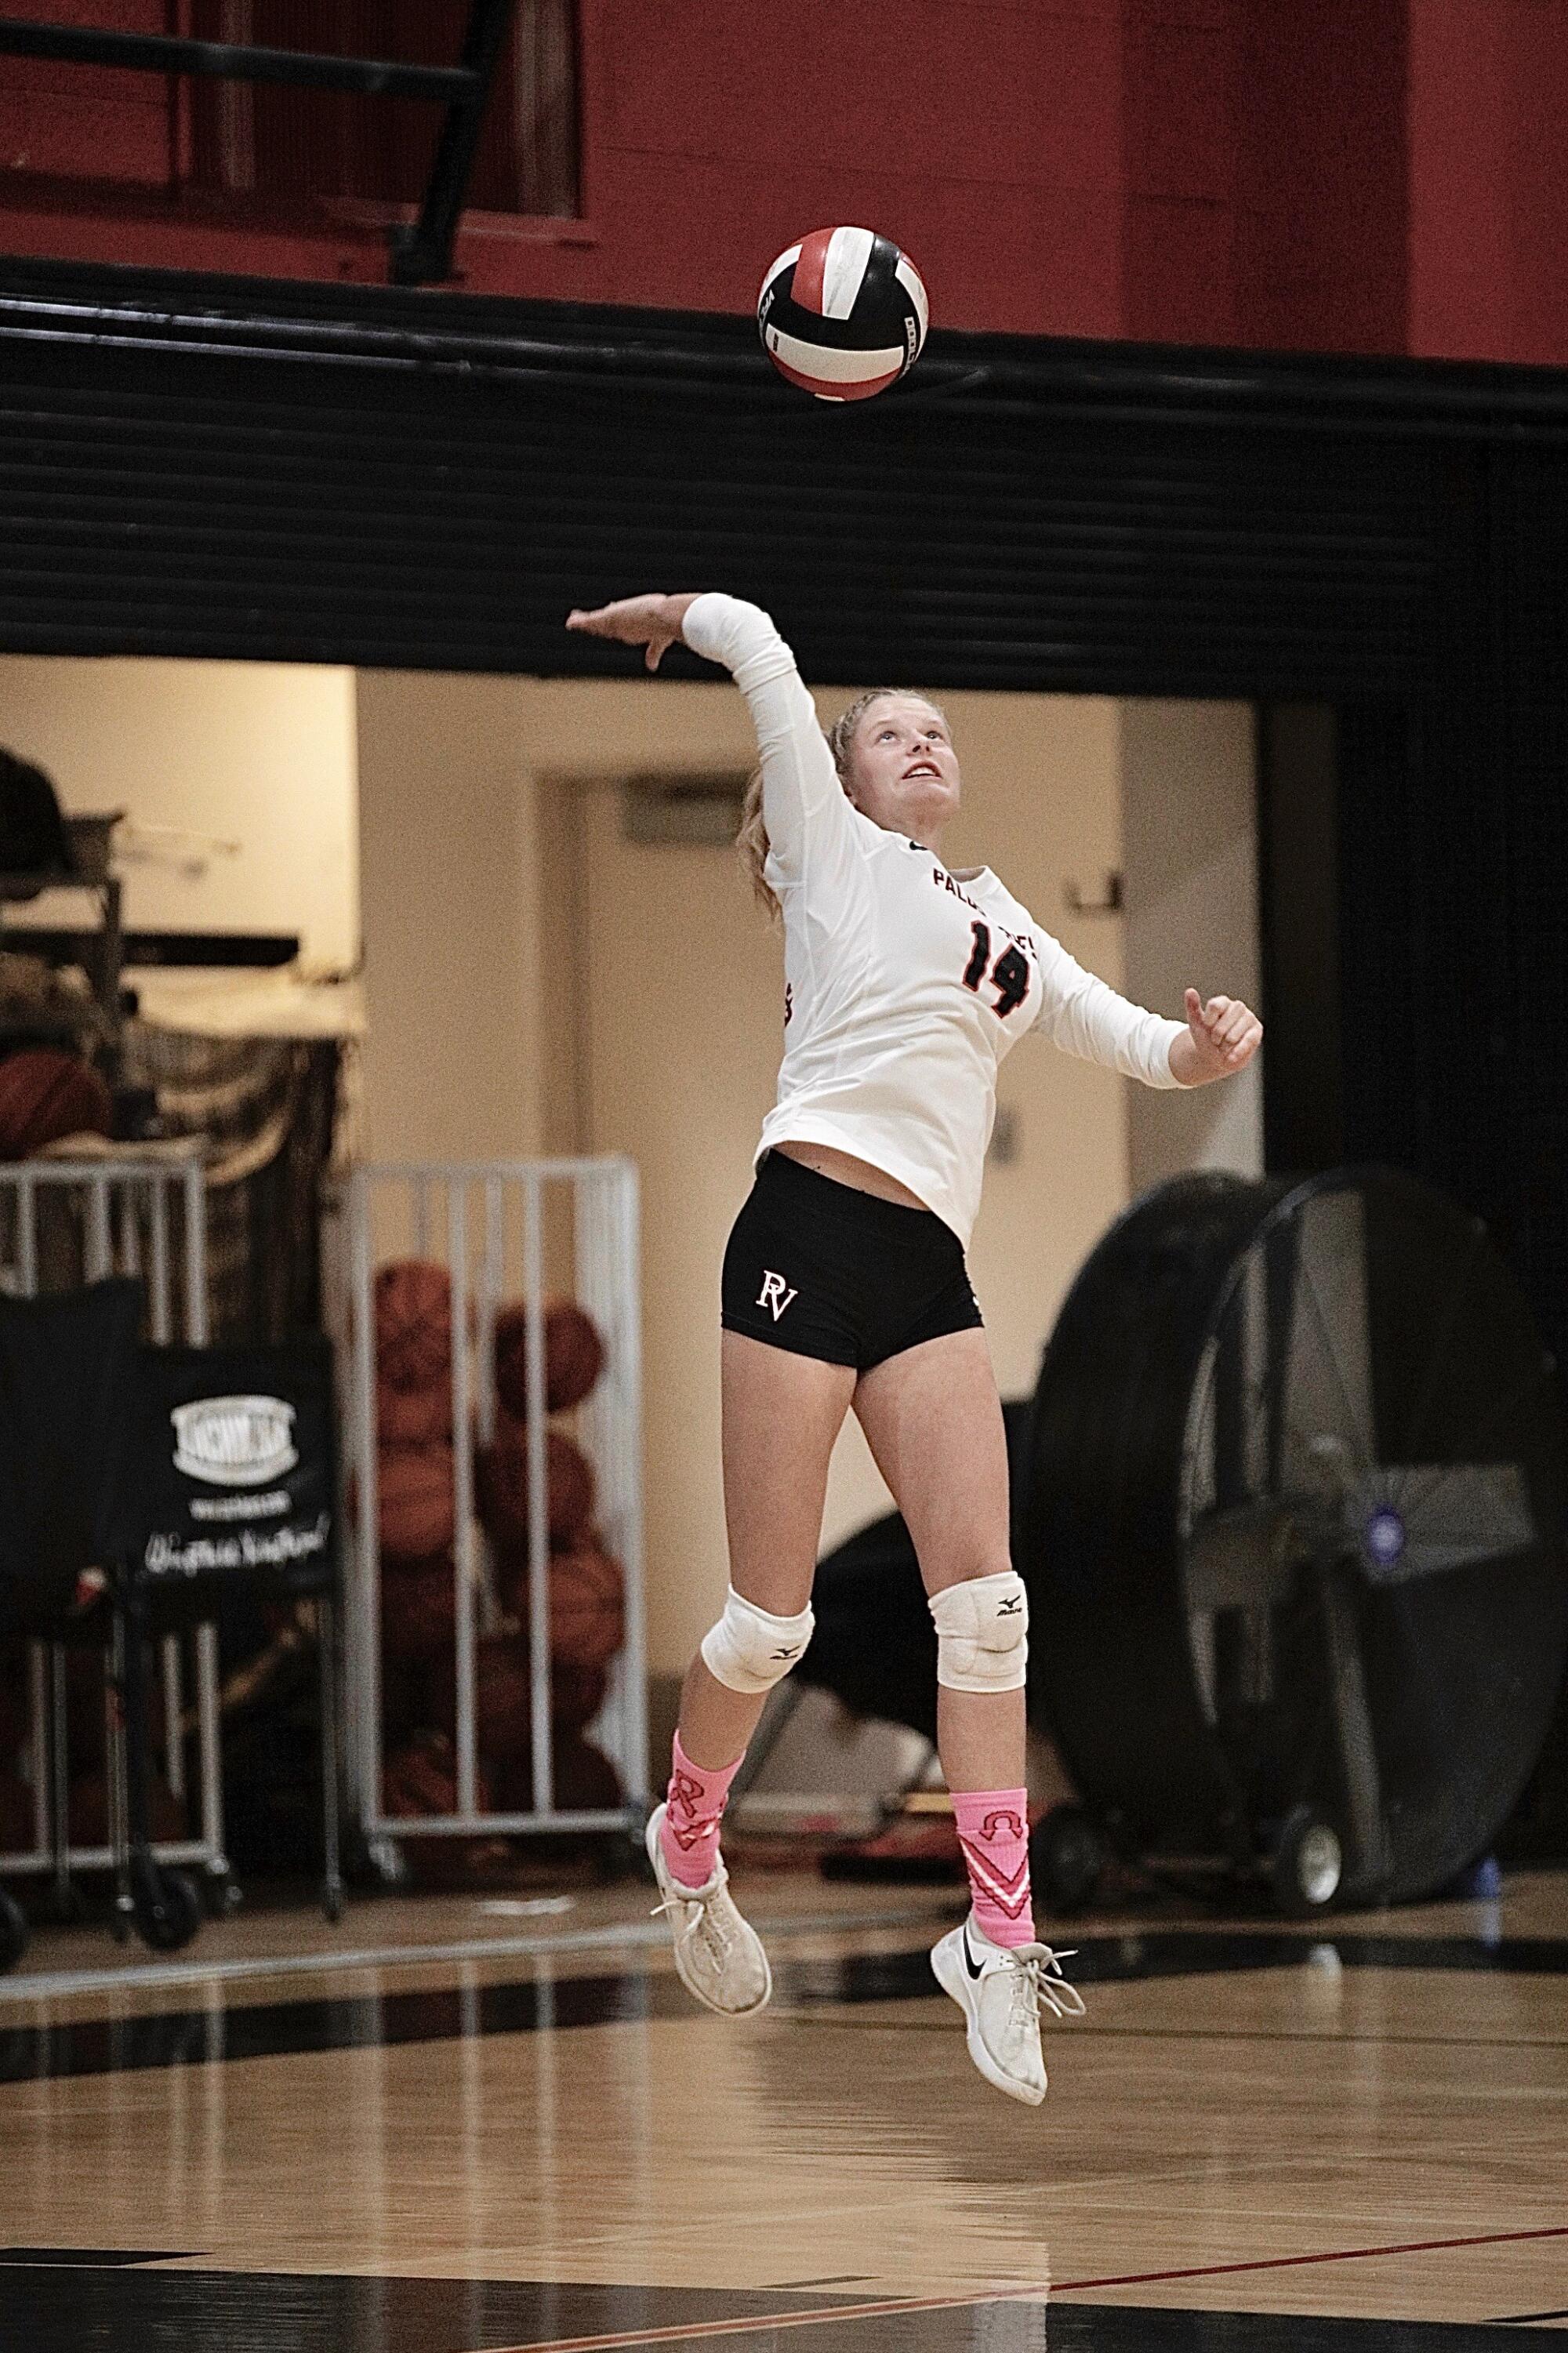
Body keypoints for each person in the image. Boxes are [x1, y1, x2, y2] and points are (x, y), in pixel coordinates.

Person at [565, 590, 1263, 2104]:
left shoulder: (1004, 919)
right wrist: (675, 623)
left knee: (990, 1605)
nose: (923, 736)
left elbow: (1132, 1039)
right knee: (770, 1621)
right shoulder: (830, 853)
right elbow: (756, 636)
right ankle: (689, 1833)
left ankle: (998, 1936)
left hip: (922, 1270)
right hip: (803, 1237)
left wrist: (1202, 1047)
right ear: (845, 772)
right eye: (891, 729)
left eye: (934, 726)